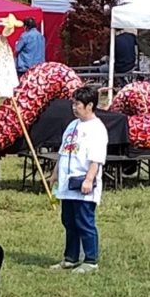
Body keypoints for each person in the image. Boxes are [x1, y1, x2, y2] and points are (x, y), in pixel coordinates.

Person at [49, 85, 107, 274]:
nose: (74, 108)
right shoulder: (72, 125)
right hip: (67, 183)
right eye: (73, 104)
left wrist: (89, 179)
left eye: (78, 104)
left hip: (82, 183)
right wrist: (55, 173)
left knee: (84, 221)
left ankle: (90, 259)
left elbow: (97, 158)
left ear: (90, 105)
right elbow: (63, 151)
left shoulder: (97, 129)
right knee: (69, 221)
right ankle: (70, 257)